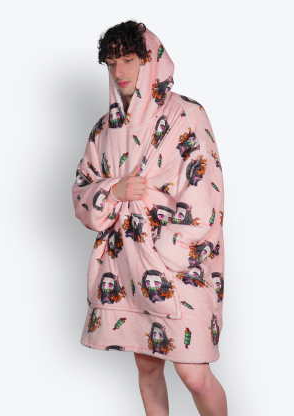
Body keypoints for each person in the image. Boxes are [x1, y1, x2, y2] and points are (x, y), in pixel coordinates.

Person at [72, 20, 227, 416]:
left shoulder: (186, 114)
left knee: (194, 374)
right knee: (146, 365)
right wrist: (113, 190)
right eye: (111, 63)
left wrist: (168, 251)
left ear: (149, 60)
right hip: (124, 263)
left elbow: (205, 191)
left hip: (179, 263)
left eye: (128, 59)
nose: (119, 71)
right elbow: (81, 193)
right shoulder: (104, 129)